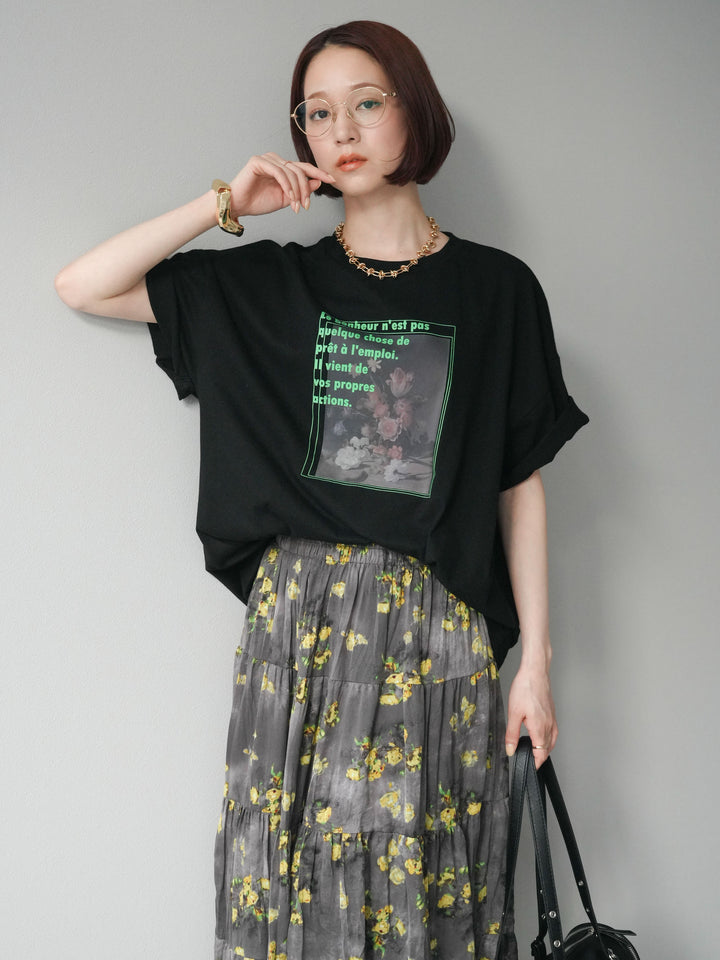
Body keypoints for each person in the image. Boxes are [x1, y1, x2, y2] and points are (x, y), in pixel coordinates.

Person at [55, 20, 587, 960]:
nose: (341, 129)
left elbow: (519, 483)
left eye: (367, 103)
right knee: (288, 888)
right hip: (299, 627)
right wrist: (227, 202)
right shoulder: (270, 286)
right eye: (317, 113)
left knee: (431, 884)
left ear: (415, 112)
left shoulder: (497, 290)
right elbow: (83, 285)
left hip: (436, 627)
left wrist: (535, 667)